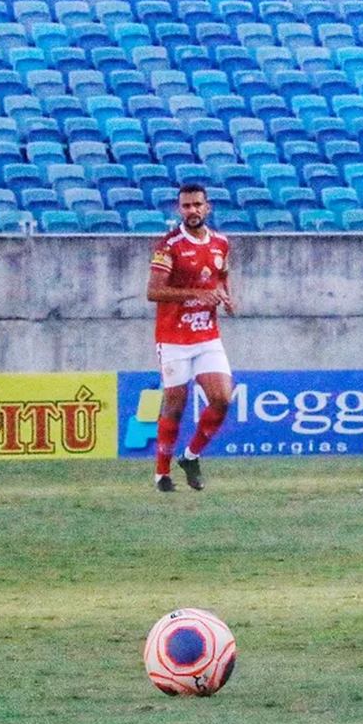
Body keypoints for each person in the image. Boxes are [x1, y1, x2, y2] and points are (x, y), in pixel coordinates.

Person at [146, 183, 235, 493]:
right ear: (178, 209)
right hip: (173, 337)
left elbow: (220, 277)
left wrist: (225, 297)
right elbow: (153, 291)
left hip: (207, 335)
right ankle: (161, 473)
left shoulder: (221, 243)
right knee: (175, 404)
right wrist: (197, 293)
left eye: (197, 205)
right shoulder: (168, 246)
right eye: (186, 206)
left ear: (207, 207)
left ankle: (191, 455)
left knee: (223, 398)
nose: (192, 210)